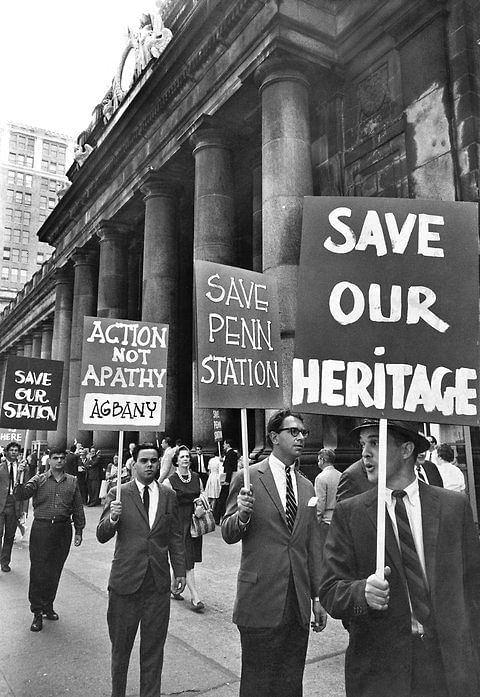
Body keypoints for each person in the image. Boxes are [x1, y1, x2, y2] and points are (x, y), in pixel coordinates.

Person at [319, 417, 480, 697]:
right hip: (382, 672)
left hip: (447, 669)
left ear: (406, 450)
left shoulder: (454, 507)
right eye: (362, 445)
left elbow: (473, 587)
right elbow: (330, 591)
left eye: (375, 442)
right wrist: (362, 593)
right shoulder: (350, 513)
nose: (365, 453)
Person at [222, 408, 327, 697]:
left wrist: (317, 597)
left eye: (303, 432)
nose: (301, 438)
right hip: (260, 602)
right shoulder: (248, 478)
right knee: (257, 686)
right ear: (273, 437)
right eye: (293, 432)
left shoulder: (307, 486)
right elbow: (228, 533)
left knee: (291, 685)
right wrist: (242, 516)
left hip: (296, 605)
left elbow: (311, 547)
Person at [97, 442, 185, 697]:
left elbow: (175, 536)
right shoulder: (119, 493)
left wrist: (179, 570)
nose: (149, 465)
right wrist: (113, 518)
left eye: (154, 461)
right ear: (133, 464)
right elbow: (102, 534)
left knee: (153, 651)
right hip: (125, 585)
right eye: (144, 461)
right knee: (120, 650)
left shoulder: (169, 496)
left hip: (157, 586)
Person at [15, 447, 85, 632]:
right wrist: (20, 475)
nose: (60, 461)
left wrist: (79, 530)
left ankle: (48, 605)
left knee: (55, 570)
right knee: (39, 570)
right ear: (49, 460)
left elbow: (77, 507)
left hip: (62, 529)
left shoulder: (72, 481)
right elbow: (21, 494)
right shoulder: (39, 479)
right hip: (42, 528)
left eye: (62, 458)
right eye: (56, 458)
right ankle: (37, 611)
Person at [163, 445, 206, 611]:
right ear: (176, 461)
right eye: (182, 457)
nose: (186, 459)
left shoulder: (196, 477)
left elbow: (202, 494)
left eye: (187, 456)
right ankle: (195, 597)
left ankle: (174, 587)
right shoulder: (170, 481)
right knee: (187, 560)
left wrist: (200, 506)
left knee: (187, 556)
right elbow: (165, 504)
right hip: (178, 524)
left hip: (194, 522)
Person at [0, 442, 23, 572]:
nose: (14, 452)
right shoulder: (1, 467)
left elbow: (24, 488)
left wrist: (23, 510)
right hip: (1, 505)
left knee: (10, 536)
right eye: (12, 450)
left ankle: (5, 562)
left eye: (16, 450)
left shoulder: (22, 468)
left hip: (14, 505)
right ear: (7, 452)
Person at [314, 448, 341, 555]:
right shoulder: (341, 475)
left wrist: (316, 522)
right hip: (339, 521)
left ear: (322, 460)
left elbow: (320, 503)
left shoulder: (320, 478)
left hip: (325, 523)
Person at [216, 439, 238, 522]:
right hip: (232, 478)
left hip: (228, 479)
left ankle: (217, 517)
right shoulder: (233, 454)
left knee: (222, 498)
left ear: (228, 444)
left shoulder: (229, 454)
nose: (223, 445)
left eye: (224, 444)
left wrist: (227, 480)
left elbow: (229, 468)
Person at [205, 452, 222, 521]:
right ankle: (212, 510)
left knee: (211, 494)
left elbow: (209, 470)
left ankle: (210, 508)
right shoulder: (219, 461)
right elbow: (220, 470)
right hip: (217, 477)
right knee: (216, 495)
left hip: (211, 476)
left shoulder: (211, 460)